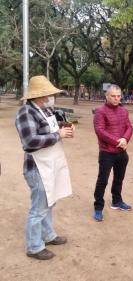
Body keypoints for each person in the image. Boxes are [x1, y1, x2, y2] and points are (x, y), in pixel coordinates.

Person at [15, 75, 74, 260]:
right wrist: (59, 135)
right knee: (39, 207)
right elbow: (30, 141)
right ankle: (34, 246)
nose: (50, 96)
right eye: (48, 93)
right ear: (39, 95)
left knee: (49, 202)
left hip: (50, 165)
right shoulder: (26, 112)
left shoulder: (46, 110)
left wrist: (67, 128)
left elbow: (55, 126)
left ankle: (48, 236)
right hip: (37, 168)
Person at [93, 84, 133, 222]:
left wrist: (125, 139)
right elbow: (100, 131)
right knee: (102, 180)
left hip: (122, 152)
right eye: (113, 96)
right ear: (107, 96)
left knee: (119, 179)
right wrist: (118, 141)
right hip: (107, 153)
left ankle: (117, 201)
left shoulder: (123, 111)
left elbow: (129, 127)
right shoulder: (100, 112)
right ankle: (98, 207)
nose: (116, 98)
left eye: (118, 96)